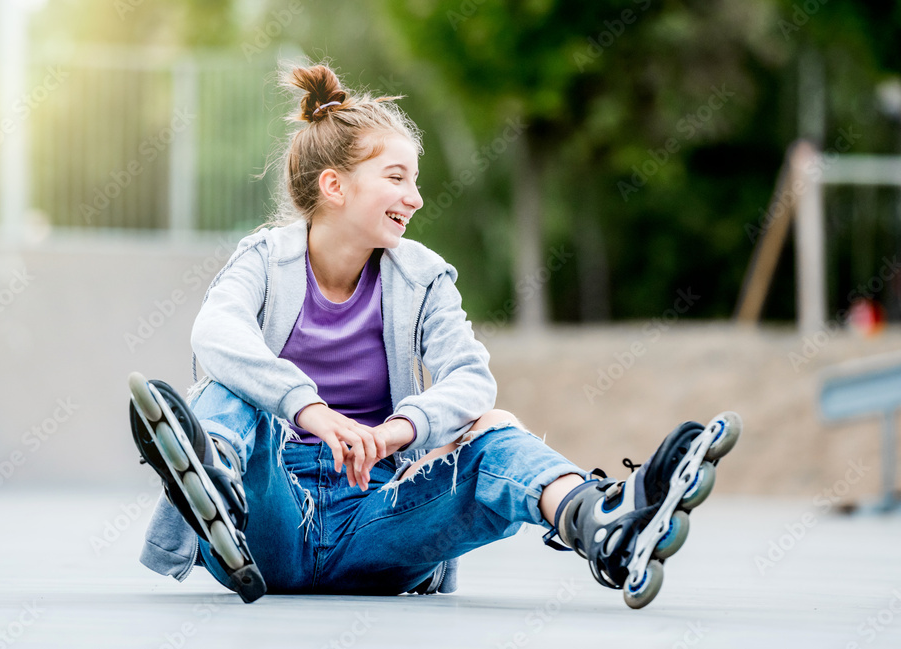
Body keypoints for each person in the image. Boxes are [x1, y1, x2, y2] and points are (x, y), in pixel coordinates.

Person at [127, 63, 740, 609]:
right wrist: (309, 410)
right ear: (335, 186)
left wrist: (398, 432)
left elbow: (471, 378)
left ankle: (603, 524)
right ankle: (218, 485)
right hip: (267, 520)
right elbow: (215, 330)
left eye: (415, 181)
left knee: (494, 429)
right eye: (396, 178)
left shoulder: (422, 277)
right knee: (223, 392)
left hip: (378, 518)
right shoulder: (263, 259)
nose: (415, 198)